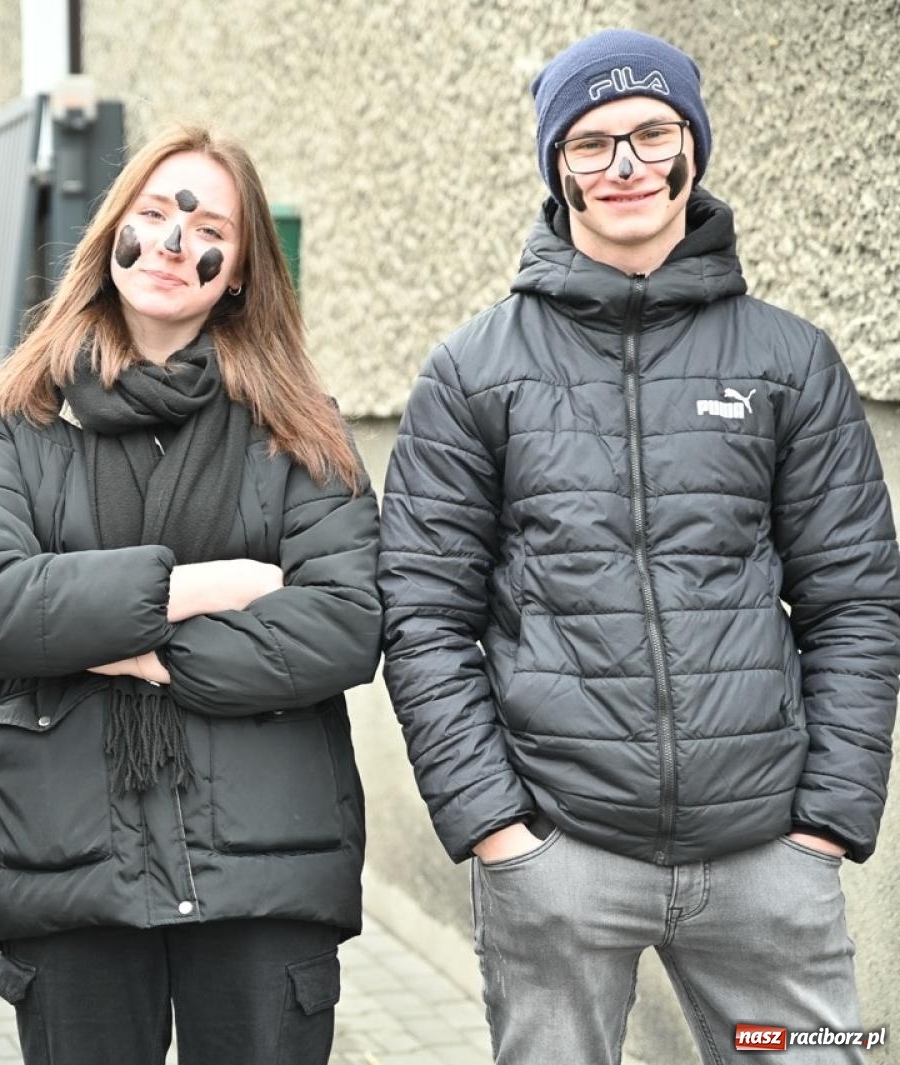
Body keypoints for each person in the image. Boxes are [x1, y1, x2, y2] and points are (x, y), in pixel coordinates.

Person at [378, 28, 900, 1065]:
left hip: (764, 867)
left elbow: (854, 600)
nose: (624, 165)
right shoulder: (471, 371)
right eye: (590, 142)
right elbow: (424, 617)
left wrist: (827, 823)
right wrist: (497, 831)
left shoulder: (787, 360)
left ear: (690, 151)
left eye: (650, 133)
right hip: (559, 861)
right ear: (556, 167)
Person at [0, 125, 383, 1065]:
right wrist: (197, 587)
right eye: (154, 215)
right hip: (70, 863)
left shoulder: (298, 426)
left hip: (265, 867)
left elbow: (344, 622)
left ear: (242, 273)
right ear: (111, 236)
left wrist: (121, 646)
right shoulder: (13, 420)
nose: (177, 242)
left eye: (209, 226)